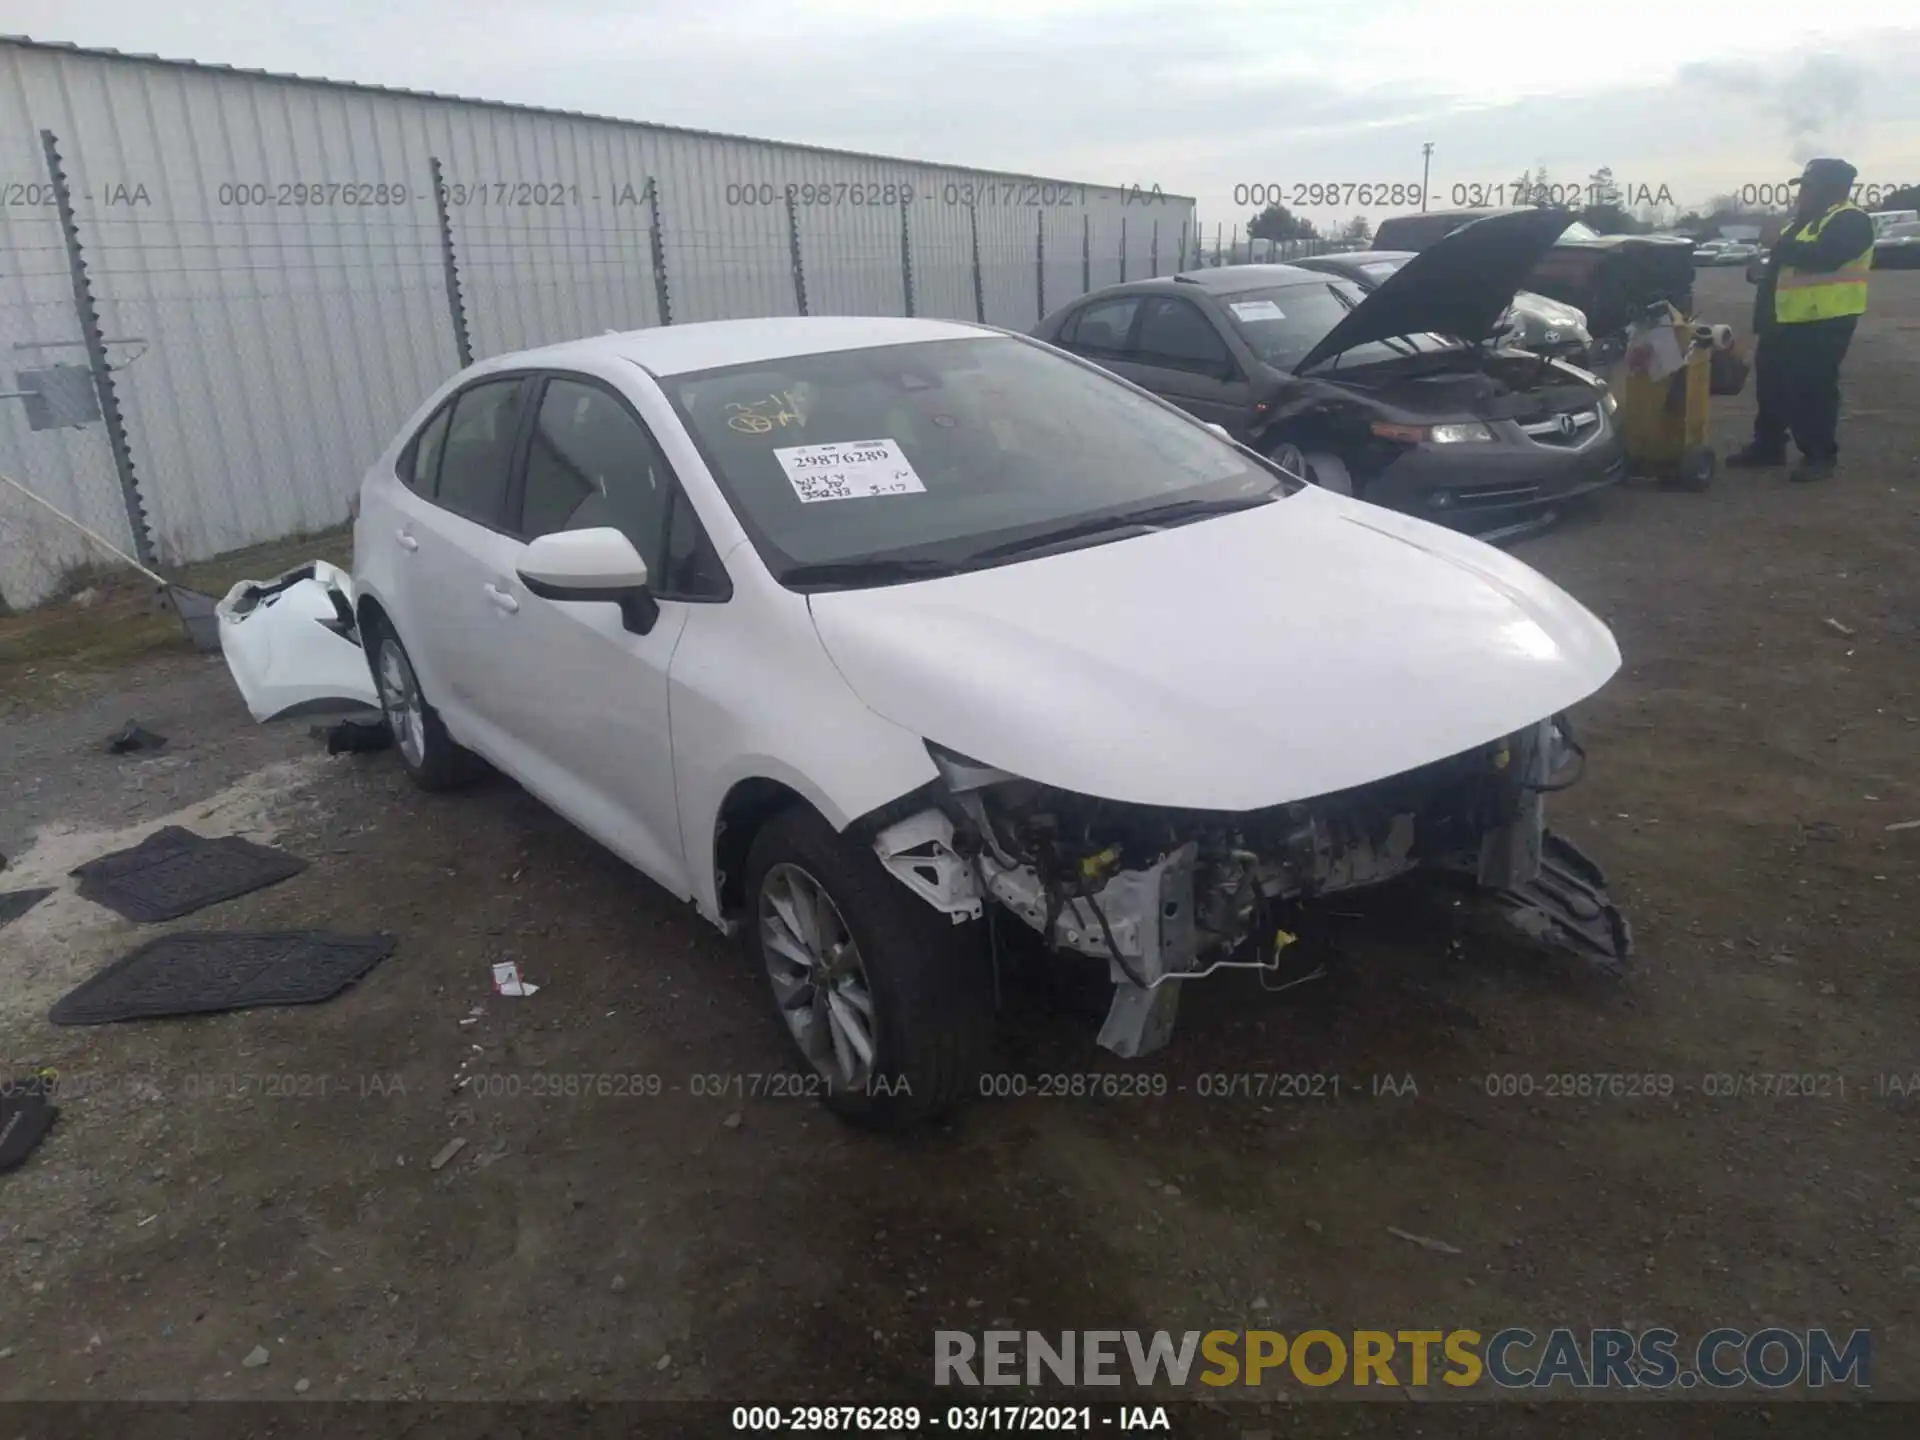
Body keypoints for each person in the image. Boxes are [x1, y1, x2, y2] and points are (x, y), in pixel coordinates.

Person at [1727, 158, 1874, 483]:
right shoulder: (1802, 222)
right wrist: (1761, 272)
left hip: (1824, 321)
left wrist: (1777, 245)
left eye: (1809, 187)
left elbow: (1823, 258)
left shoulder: (1851, 220)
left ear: (1833, 189)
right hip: (1784, 320)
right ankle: (1769, 447)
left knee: (1813, 389)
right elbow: (1783, 264)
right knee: (1772, 385)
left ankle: (1819, 456)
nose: (1800, 194)